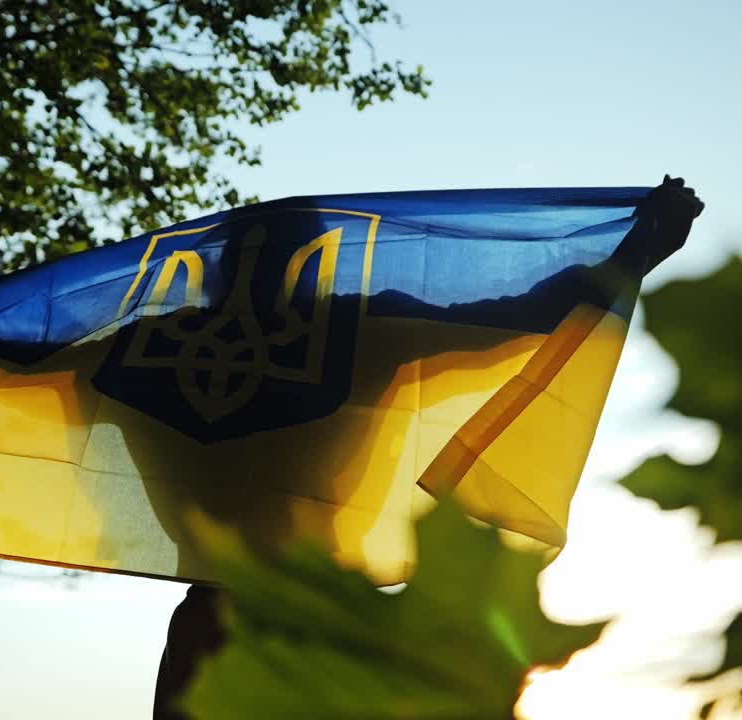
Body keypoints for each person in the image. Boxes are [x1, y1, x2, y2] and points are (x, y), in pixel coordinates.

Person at [150, 176, 704, 719]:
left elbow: (521, 313)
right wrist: (634, 252)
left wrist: (636, 250)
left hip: (251, 634)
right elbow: (523, 312)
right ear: (313, 261)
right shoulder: (354, 334)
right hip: (304, 631)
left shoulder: (153, 357)